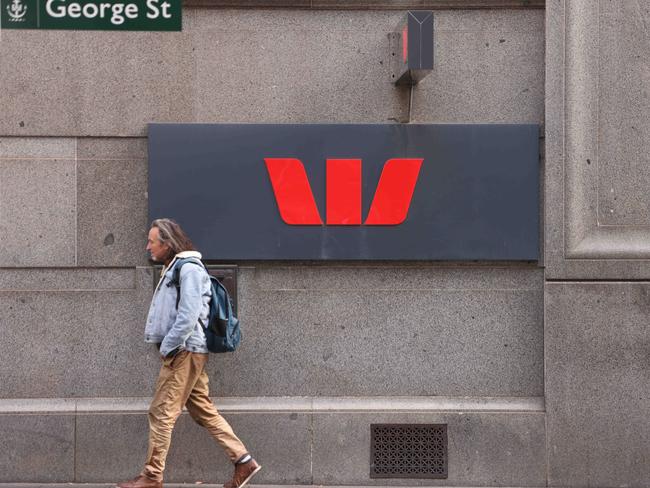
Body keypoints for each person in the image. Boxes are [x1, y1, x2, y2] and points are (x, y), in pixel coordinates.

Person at [118, 218, 261, 488]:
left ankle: (152, 476)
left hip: (184, 352)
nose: (148, 247)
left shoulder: (189, 269)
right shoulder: (176, 267)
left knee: (161, 413)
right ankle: (244, 461)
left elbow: (188, 314)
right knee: (203, 411)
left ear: (167, 243)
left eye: (152, 241)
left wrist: (170, 346)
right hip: (187, 351)